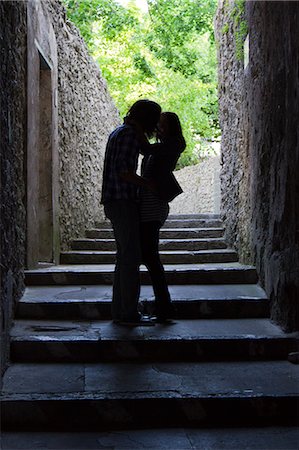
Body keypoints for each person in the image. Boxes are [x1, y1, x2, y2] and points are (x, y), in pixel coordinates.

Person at [101, 99, 161, 325]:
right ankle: (127, 314)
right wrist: (148, 184)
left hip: (116, 201)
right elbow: (124, 171)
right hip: (122, 201)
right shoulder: (127, 135)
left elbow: (147, 150)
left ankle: (121, 311)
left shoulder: (120, 132)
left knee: (125, 257)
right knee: (130, 258)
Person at [138, 112, 186, 323]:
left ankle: (165, 306)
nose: (159, 127)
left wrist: (135, 128)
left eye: (163, 124)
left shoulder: (174, 144)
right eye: (158, 123)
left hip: (154, 205)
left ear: (172, 127)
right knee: (149, 256)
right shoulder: (160, 146)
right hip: (146, 204)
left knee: (150, 256)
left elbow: (147, 148)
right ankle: (163, 305)